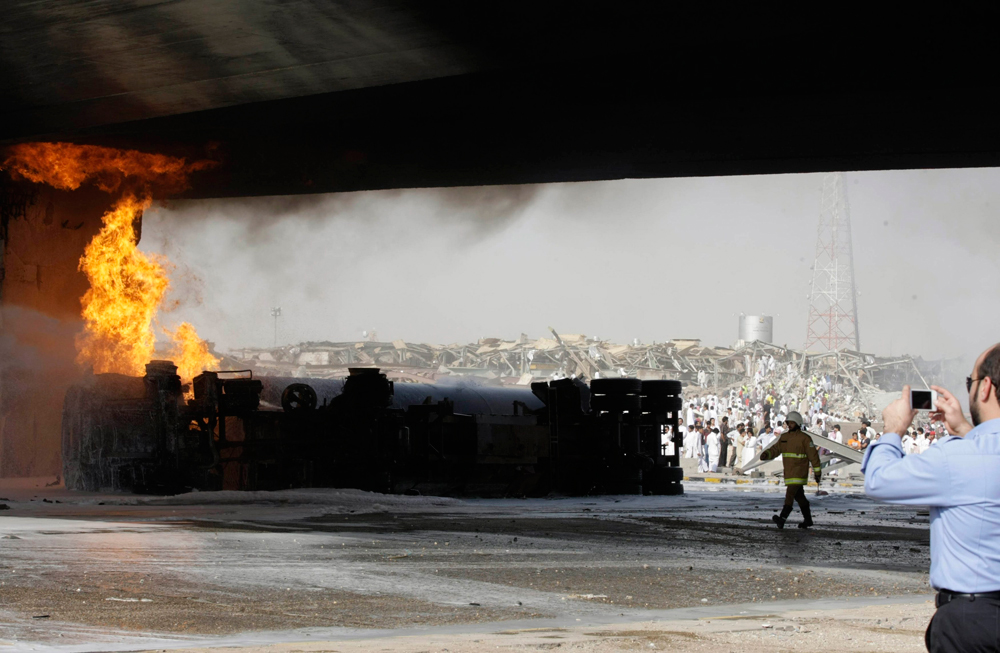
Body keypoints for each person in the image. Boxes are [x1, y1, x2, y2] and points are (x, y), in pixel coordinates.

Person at [863, 343, 1000, 652]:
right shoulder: (969, 453)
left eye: (971, 383)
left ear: (986, 387)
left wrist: (893, 429)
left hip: (973, 620)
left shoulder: (955, 459)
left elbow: (878, 480)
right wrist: (966, 429)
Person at [759, 411, 822, 529]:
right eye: (788, 422)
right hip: (789, 472)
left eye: (792, 422)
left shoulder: (805, 439)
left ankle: (782, 519)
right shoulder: (784, 437)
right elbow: (775, 449)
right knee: (800, 497)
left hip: (799, 473)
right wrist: (766, 454)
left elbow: (814, 457)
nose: (789, 425)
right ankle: (808, 520)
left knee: (790, 495)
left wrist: (817, 473)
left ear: (798, 423)